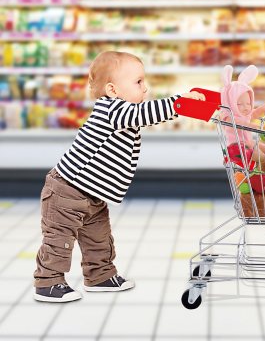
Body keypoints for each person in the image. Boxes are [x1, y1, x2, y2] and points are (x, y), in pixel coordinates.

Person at [33, 51, 204, 303]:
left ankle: (100, 276)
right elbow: (147, 113)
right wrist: (179, 103)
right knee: (59, 240)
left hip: (91, 193)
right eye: (138, 82)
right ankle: (48, 281)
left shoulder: (121, 111)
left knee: (99, 237)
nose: (145, 89)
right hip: (66, 191)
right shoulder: (113, 109)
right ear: (112, 90)